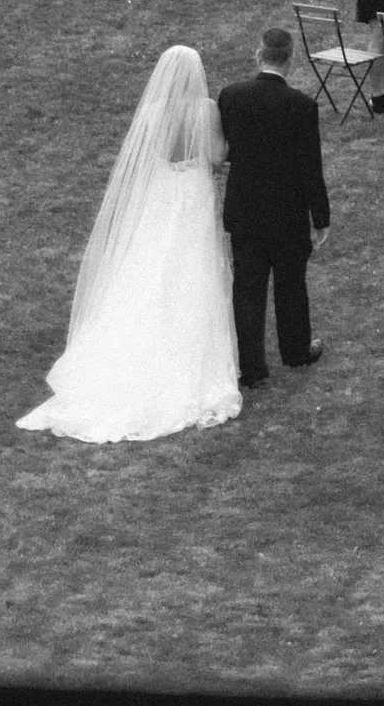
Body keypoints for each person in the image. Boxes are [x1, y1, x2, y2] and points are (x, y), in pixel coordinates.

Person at [17, 42, 242, 442]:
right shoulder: (205, 109)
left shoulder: (154, 111)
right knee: (192, 269)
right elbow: (216, 155)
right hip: (190, 196)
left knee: (149, 264)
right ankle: (189, 359)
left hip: (160, 197)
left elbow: (147, 157)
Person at [217, 20, 332, 383]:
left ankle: (251, 367)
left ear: (260, 54)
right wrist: (320, 217)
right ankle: (295, 351)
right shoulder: (302, 106)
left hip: (246, 209)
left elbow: (229, 148)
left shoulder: (231, 96)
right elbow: (310, 167)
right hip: (287, 213)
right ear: (290, 60)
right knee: (290, 284)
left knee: (248, 289)